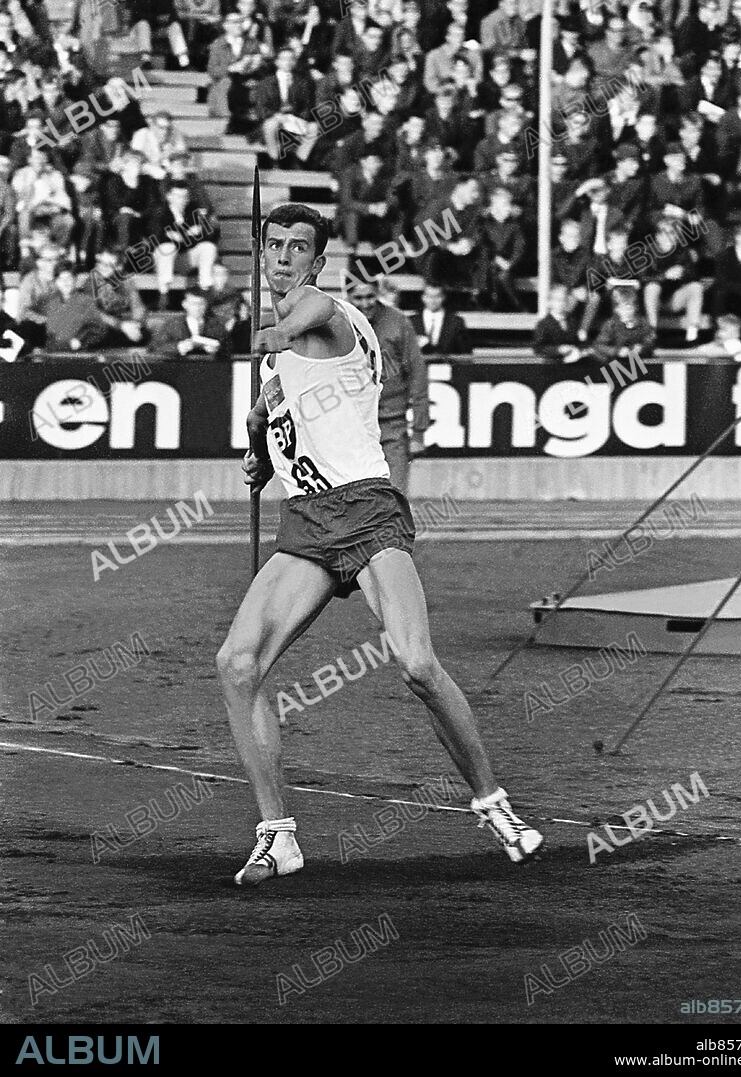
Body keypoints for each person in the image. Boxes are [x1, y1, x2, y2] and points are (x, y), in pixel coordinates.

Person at [217, 202, 544, 885]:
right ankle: (278, 836)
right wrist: (257, 451)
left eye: (296, 247)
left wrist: (271, 331)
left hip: (367, 510)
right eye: (272, 245)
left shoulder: (326, 312)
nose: (281, 258)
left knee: (417, 664)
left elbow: (298, 324)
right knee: (237, 661)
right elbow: (270, 416)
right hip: (307, 522)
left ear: (317, 258)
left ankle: (495, 804)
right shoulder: (288, 366)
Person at [345, 274, 429, 496]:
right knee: (357, 498)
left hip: (392, 425)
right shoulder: (337, 323)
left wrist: (419, 432)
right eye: (358, 297)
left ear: (378, 293)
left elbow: (417, 373)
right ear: (348, 296)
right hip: (352, 427)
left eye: (370, 296)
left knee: (395, 497)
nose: (365, 303)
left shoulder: (398, 322)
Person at [151, 287, 230, 359]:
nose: (197, 308)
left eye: (201, 304)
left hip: (209, 368)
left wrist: (217, 350)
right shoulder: (172, 324)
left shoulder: (216, 325)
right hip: (178, 367)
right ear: (184, 304)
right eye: (193, 304)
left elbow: (229, 348)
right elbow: (155, 347)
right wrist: (177, 347)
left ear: (206, 305)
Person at [410, 281, 471, 355]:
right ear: (423, 297)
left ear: (443, 297)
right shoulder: (411, 321)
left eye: (437, 296)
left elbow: (465, 353)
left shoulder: (456, 322)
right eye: (429, 296)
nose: (433, 301)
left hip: (448, 365)